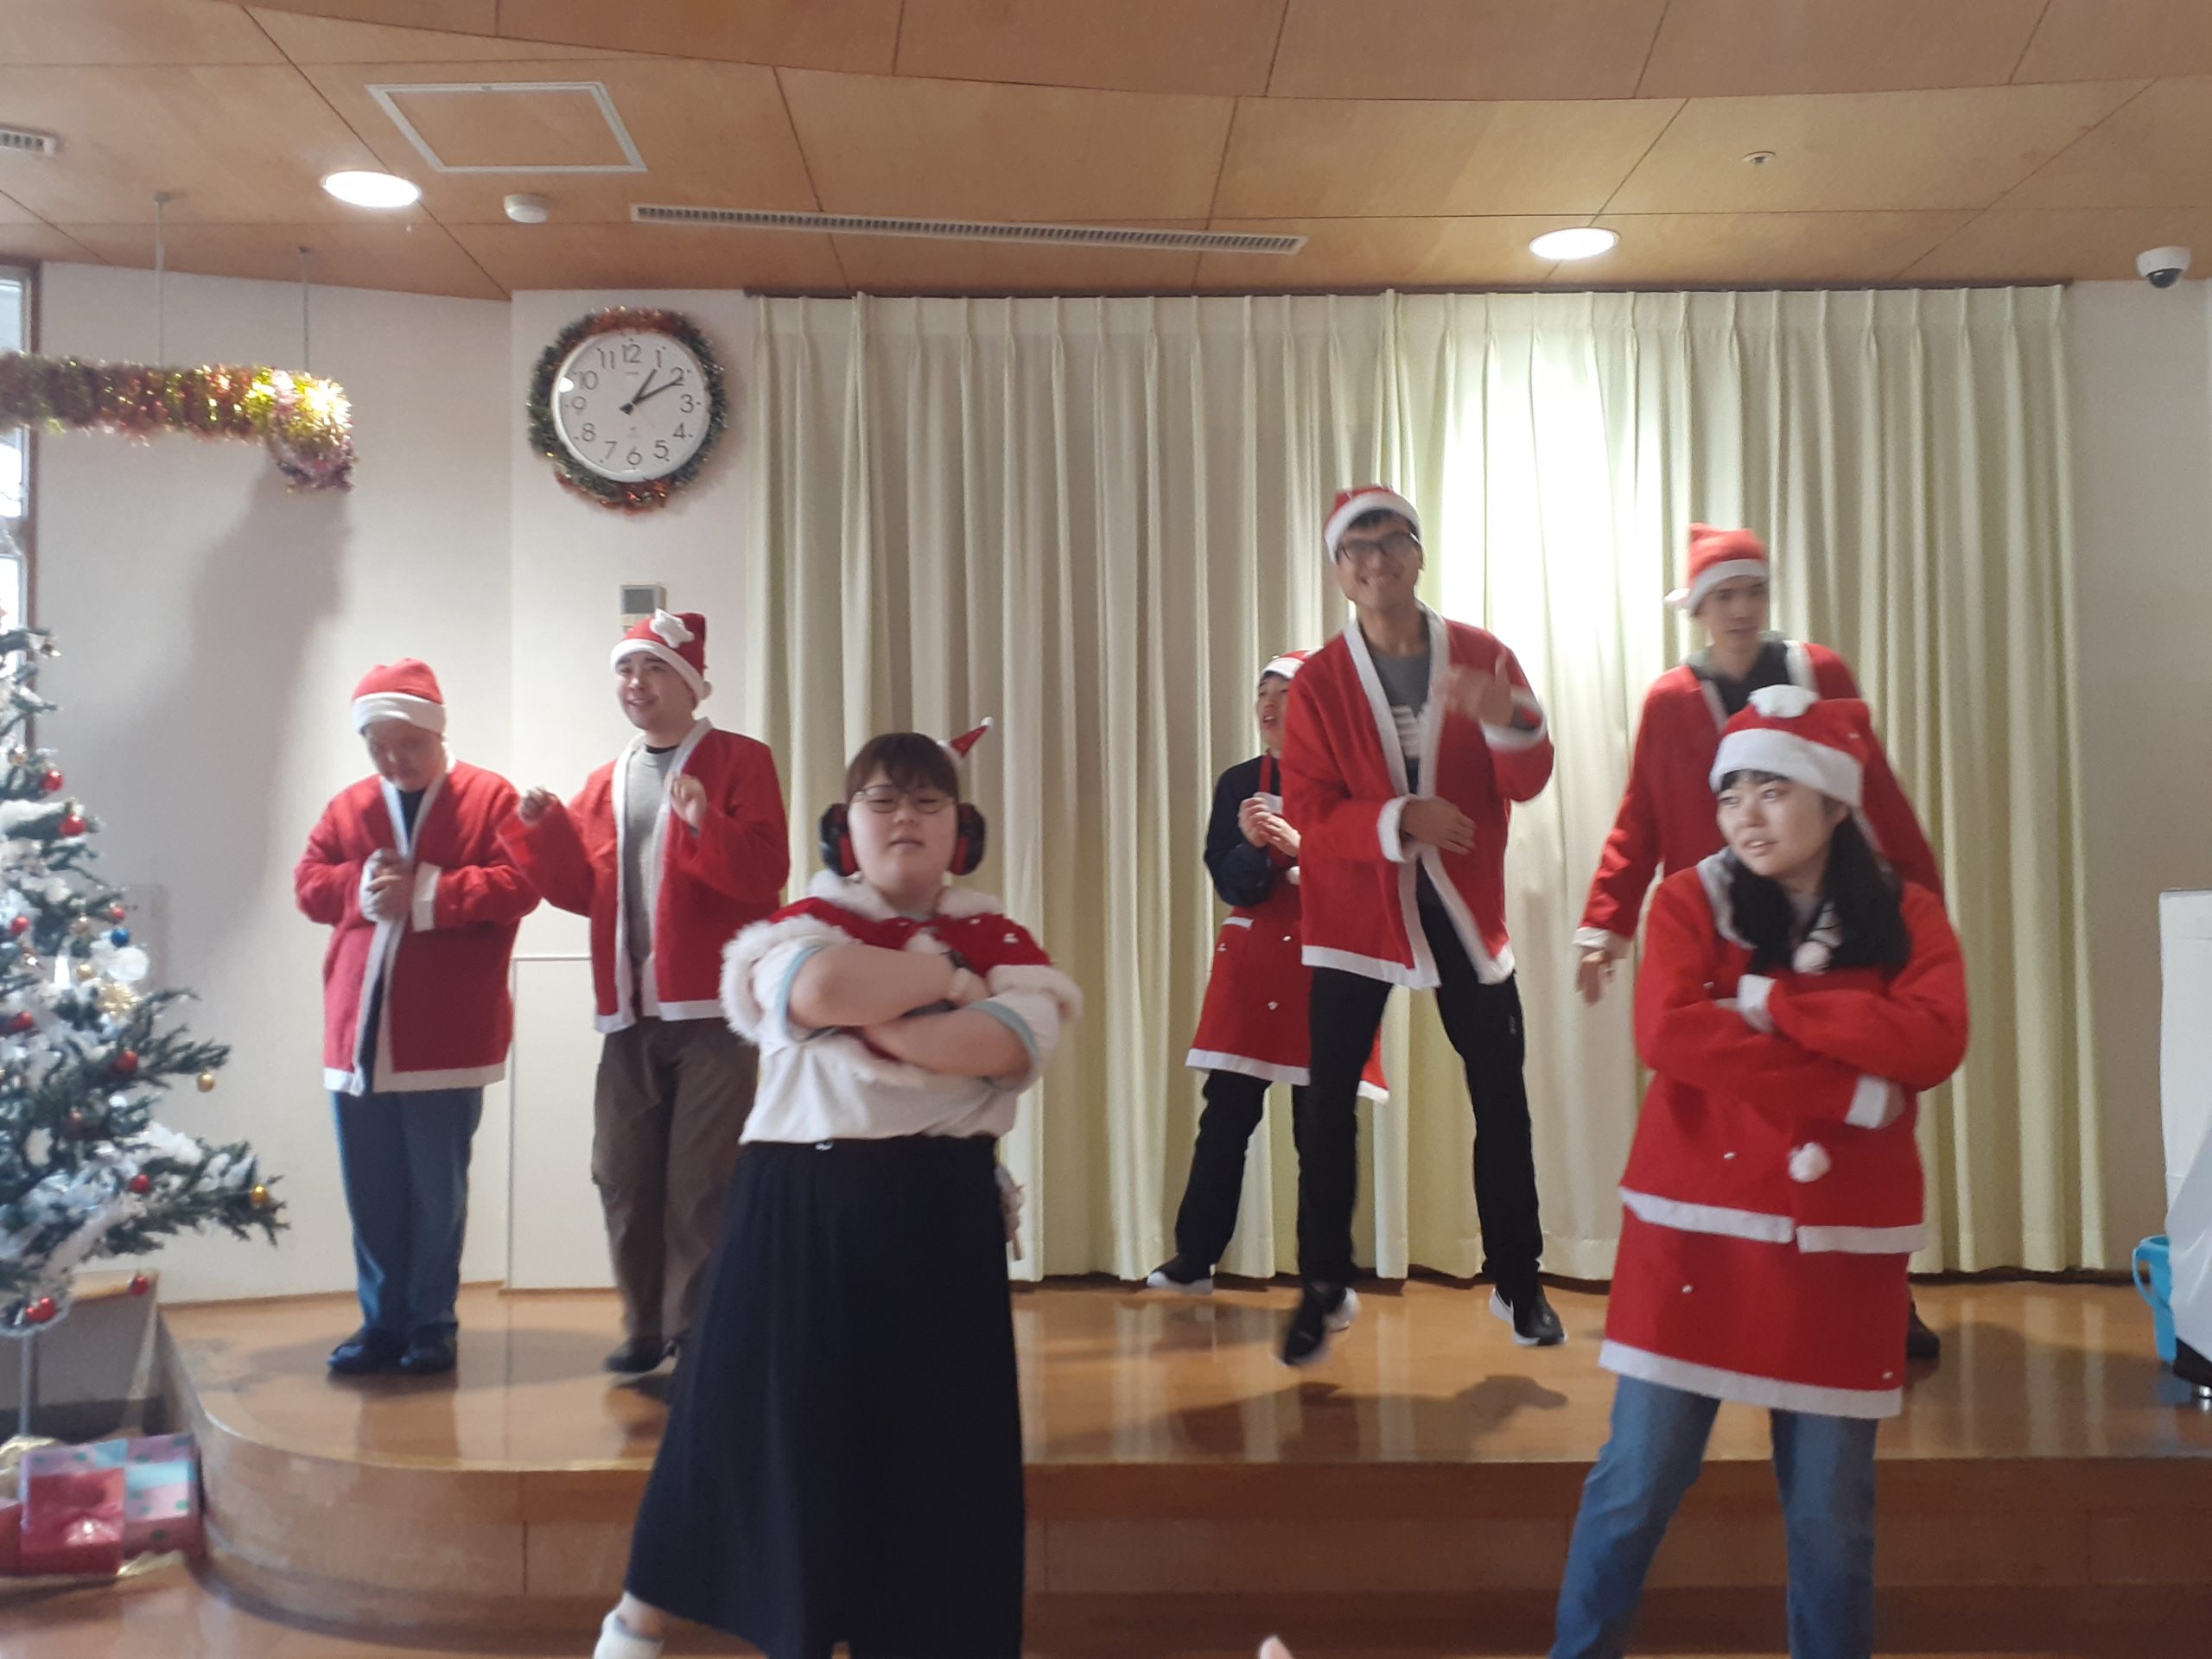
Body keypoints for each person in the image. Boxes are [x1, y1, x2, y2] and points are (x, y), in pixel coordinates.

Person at [594, 728, 1081, 1659]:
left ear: (962, 830)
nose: (905, 819)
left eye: (928, 802)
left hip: (940, 1214)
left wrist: (885, 1020)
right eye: (881, 801)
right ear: (842, 827)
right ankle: (642, 1624)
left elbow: (999, 1045)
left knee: (935, 1449)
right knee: (751, 1425)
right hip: (796, 1209)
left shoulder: (1007, 943)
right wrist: (946, 981)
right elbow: (820, 989)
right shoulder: (798, 928)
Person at [1551, 683, 1969, 1659]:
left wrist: (1768, 1004)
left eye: (1772, 790)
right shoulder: (1687, 898)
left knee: (1832, 1514)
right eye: (1730, 792)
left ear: (1834, 802)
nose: (1745, 813)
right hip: (1694, 1229)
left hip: (1838, 1250)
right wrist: (1853, 1090)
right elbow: (1670, 1035)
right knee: (1635, 1482)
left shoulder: (1906, 912)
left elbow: (1933, 1041)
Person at [1576, 523, 1948, 1362]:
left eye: (1752, 592)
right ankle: (1737, 1286)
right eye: (1723, 597)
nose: (1740, 610)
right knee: (1740, 1105)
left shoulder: (1820, 672)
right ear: (1698, 610)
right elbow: (1640, 816)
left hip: (1833, 914)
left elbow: (1874, 789)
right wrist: (1607, 923)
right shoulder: (1672, 700)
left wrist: (1916, 896)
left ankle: (1884, 1291)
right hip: (1725, 924)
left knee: (1860, 1099)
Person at [1277, 485, 1560, 1367]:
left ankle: (1519, 1280)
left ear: (1418, 553)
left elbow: (1528, 779)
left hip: (1464, 909)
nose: (1375, 560)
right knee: (1326, 1105)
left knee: (1500, 1094)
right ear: (1339, 571)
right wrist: (1401, 819)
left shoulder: (1481, 655)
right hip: (1355, 914)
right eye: (1356, 548)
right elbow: (1308, 813)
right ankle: (1323, 1285)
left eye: (1391, 540)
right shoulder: (1320, 682)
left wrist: (1507, 718)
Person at [501, 610, 790, 1376]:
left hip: (714, 1012)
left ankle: (696, 1332)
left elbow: (764, 875)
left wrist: (702, 825)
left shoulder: (741, 761)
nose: (637, 683)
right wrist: (544, 833)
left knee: (702, 1181)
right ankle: (644, 1323)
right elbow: (580, 891)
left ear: (691, 683)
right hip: (629, 1013)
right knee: (621, 1172)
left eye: (655, 668)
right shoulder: (607, 780)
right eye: (626, 670)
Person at [295, 660, 537, 1376]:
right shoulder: (349, 807)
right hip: (358, 1031)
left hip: (444, 1033)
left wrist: (429, 894)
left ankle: (432, 1322)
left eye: (409, 745)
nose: (395, 761)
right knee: (372, 1191)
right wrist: (358, 887)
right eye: (379, 748)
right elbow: (309, 885)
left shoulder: (491, 798)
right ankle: (382, 1324)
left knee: (437, 1192)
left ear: (438, 732)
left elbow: (520, 885)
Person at [1148, 651, 1386, 1294]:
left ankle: (1325, 1275)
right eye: (1264, 693)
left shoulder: (1358, 783)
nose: (1270, 705)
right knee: (1225, 1116)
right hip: (1253, 967)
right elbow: (1231, 884)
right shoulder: (1239, 783)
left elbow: (1378, 880)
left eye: (1287, 693)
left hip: (1329, 965)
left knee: (1324, 1125)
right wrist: (1253, 848)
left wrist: (1308, 851)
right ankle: (1194, 1259)